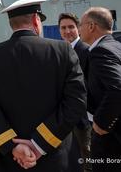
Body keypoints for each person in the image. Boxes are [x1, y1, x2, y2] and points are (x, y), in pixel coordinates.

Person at [0, 0, 87, 172]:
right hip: (57, 159)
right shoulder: (63, 51)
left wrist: (12, 146)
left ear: (12, 23)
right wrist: (39, 144)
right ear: (36, 20)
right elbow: (76, 102)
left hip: (11, 161)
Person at [79, 7, 121, 172]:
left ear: (91, 26)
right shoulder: (116, 45)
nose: (79, 28)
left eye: (80, 24)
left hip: (110, 137)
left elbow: (118, 88)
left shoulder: (100, 51)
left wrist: (101, 124)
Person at [58, 13, 92, 170]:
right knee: (73, 157)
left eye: (71, 27)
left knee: (86, 156)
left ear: (78, 28)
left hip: (82, 119)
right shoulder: (62, 50)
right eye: (63, 28)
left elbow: (90, 86)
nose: (67, 31)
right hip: (66, 117)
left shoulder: (85, 51)